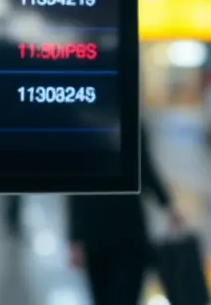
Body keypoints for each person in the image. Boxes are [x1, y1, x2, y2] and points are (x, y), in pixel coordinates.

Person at [67, 127, 183, 305]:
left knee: (124, 296)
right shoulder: (83, 129)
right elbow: (75, 189)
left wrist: (167, 205)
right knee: (103, 297)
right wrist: (75, 239)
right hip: (99, 235)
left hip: (127, 234)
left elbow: (143, 167)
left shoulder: (131, 123)